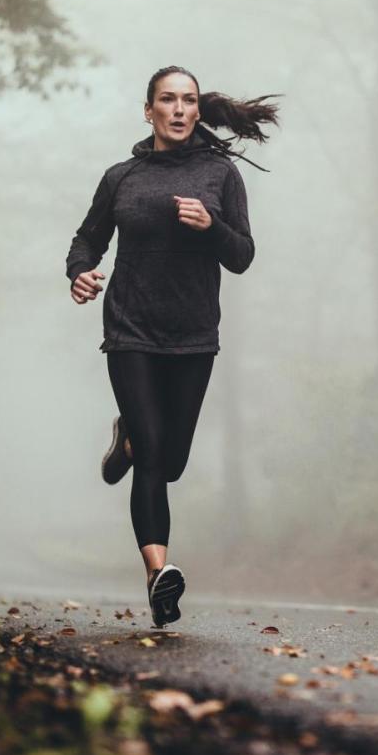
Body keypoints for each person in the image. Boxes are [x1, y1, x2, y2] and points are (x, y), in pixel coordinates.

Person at [65, 65, 278, 627]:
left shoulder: (220, 175)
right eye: (167, 100)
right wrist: (82, 273)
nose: (179, 110)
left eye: (187, 101)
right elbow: (88, 238)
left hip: (192, 333)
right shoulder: (122, 177)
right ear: (149, 110)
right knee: (156, 458)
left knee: (172, 459)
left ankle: (127, 438)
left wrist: (210, 226)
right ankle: (159, 574)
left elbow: (242, 255)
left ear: (197, 110)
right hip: (130, 329)